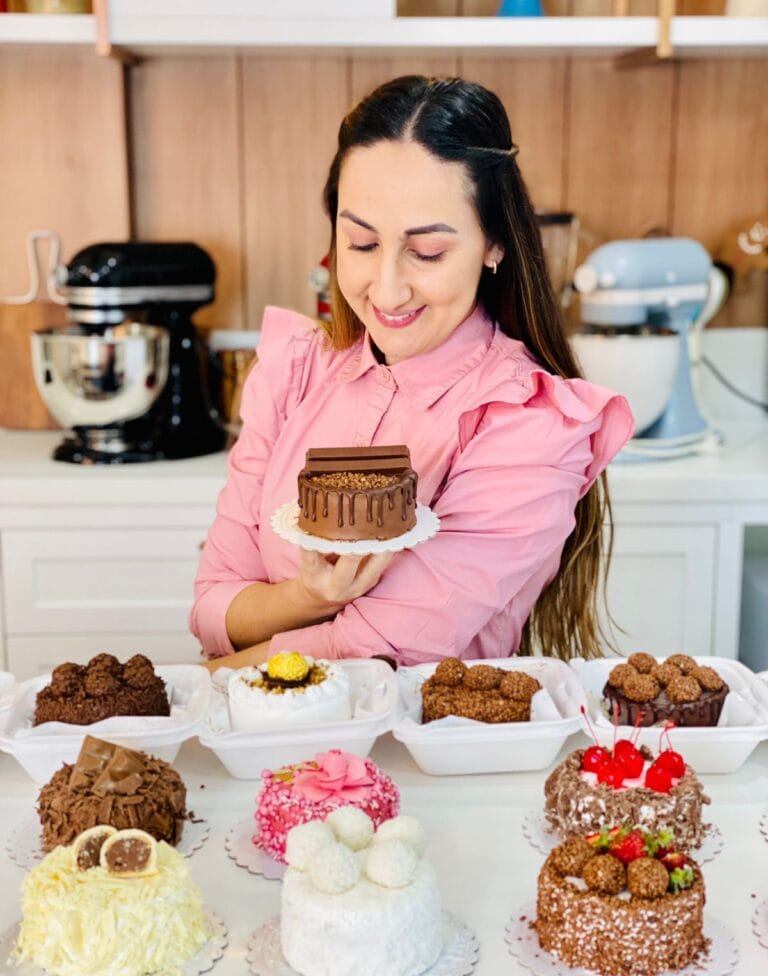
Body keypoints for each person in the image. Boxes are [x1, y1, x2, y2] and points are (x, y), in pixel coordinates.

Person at [190, 75, 633, 672]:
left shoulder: (528, 422)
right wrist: (309, 596)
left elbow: (387, 651)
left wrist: (193, 689)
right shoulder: (294, 370)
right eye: (361, 243)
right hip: (253, 729)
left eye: (427, 253)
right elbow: (213, 610)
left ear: (494, 243)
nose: (388, 290)